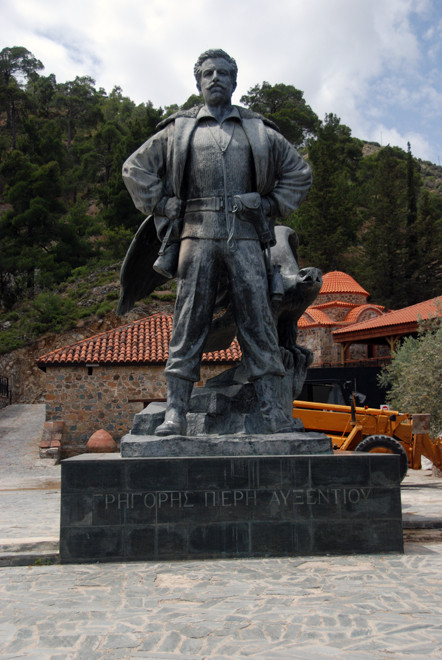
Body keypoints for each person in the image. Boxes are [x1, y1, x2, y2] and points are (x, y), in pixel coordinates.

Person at [122, 49, 312, 436]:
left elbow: (299, 172)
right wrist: (161, 203)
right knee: (188, 322)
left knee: (259, 322)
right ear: (198, 81)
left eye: (223, 73)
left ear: (234, 81)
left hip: (245, 236)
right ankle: (175, 412)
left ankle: (273, 411)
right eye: (207, 73)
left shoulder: (258, 131)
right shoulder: (179, 130)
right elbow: (134, 168)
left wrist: (271, 203)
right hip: (196, 234)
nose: (215, 78)